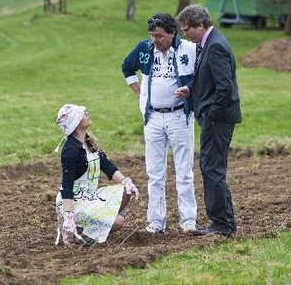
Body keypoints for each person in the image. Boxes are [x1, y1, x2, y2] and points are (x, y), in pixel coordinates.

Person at [121, 13, 198, 234]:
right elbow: (126, 67)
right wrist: (139, 93)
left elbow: (201, 75)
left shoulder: (188, 50)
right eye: (153, 35)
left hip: (178, 116)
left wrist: (189, 89)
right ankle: (155, 220)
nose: (155, 40)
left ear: (172, 33)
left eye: (160, 36)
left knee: (184, 171)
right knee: (154, 172)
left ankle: (188, 220)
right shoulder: (144, 49)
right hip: (152, 117)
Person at [175, 5, 242, 236]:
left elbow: (225, 88)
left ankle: (222, 224)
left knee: (212, 168)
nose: (185, 34)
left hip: (217, 120)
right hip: (214, 118)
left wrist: (211, 115)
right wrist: (191, 90)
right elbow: (209, 79)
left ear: (200, 25)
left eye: (186, 29)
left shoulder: (215, 47)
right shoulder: (208, 44)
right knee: (211, 167)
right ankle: (224, 222)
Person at [53, 103, 140, 247]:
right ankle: (77, 228)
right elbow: (66, 187)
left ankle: (97, 225)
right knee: (118, 222)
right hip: (75, 202)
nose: (86, 114)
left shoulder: (88, 141)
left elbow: (107, 166)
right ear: (75, 123)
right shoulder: (70, 150)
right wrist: (68, 216)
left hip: (91, 197)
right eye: (82, 114)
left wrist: (126, 181)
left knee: (126, 190)